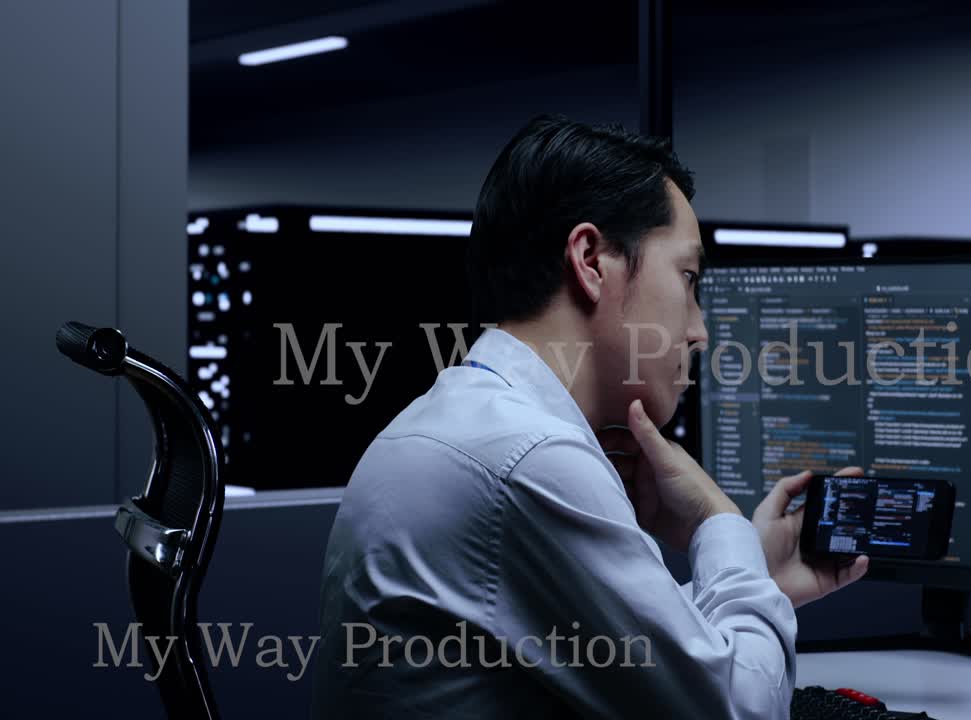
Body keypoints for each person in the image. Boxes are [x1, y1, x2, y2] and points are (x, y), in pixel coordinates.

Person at [312, 114, 869, 718]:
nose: (700, 330)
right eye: (688, 278)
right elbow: (740, 710)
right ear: (592, 260)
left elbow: (609, 661)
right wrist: (719, 523)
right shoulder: (528, 457)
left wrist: (755, 576)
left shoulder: (462, 424)